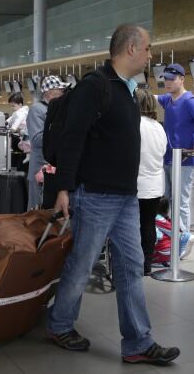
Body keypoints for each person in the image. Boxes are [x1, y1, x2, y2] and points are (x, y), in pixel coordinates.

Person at [49, 24, 180, 365]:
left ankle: (138, 342)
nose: (150, 55)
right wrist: (63, 187)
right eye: (148, 48)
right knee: (82, 264)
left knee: (132, 266)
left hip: (125, 197)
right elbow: (73, 137)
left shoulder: (126, 90)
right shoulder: (95, 86)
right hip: (94, 195)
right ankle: (60, 324)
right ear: (131, 48)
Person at [157, 63, 194, 232]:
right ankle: (171, 236)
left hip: (184, 162)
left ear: (182, 79)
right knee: (166, 199)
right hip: (168, 158)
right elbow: (148, 97)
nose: (168, 82)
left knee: (180, 202)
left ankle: (183, 239)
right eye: (166, 79)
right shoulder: (167, 99)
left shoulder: (189, 101)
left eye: (172, 79)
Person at [135, 88, 168, 275]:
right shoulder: (159, 127)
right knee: (148, 225)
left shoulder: (134, 125)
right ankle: (146, 265)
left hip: (136, 185)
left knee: (132, 227)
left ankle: (132, 263)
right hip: (155, 185)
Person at [26, 76, 68, 210]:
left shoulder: (59, 109)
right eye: (61, 90)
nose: (63, 93)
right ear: (50, 93)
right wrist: (59, 128)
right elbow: (36, 140)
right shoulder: (37, 109)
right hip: (40, 170)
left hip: (53, 170)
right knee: (37, 212)